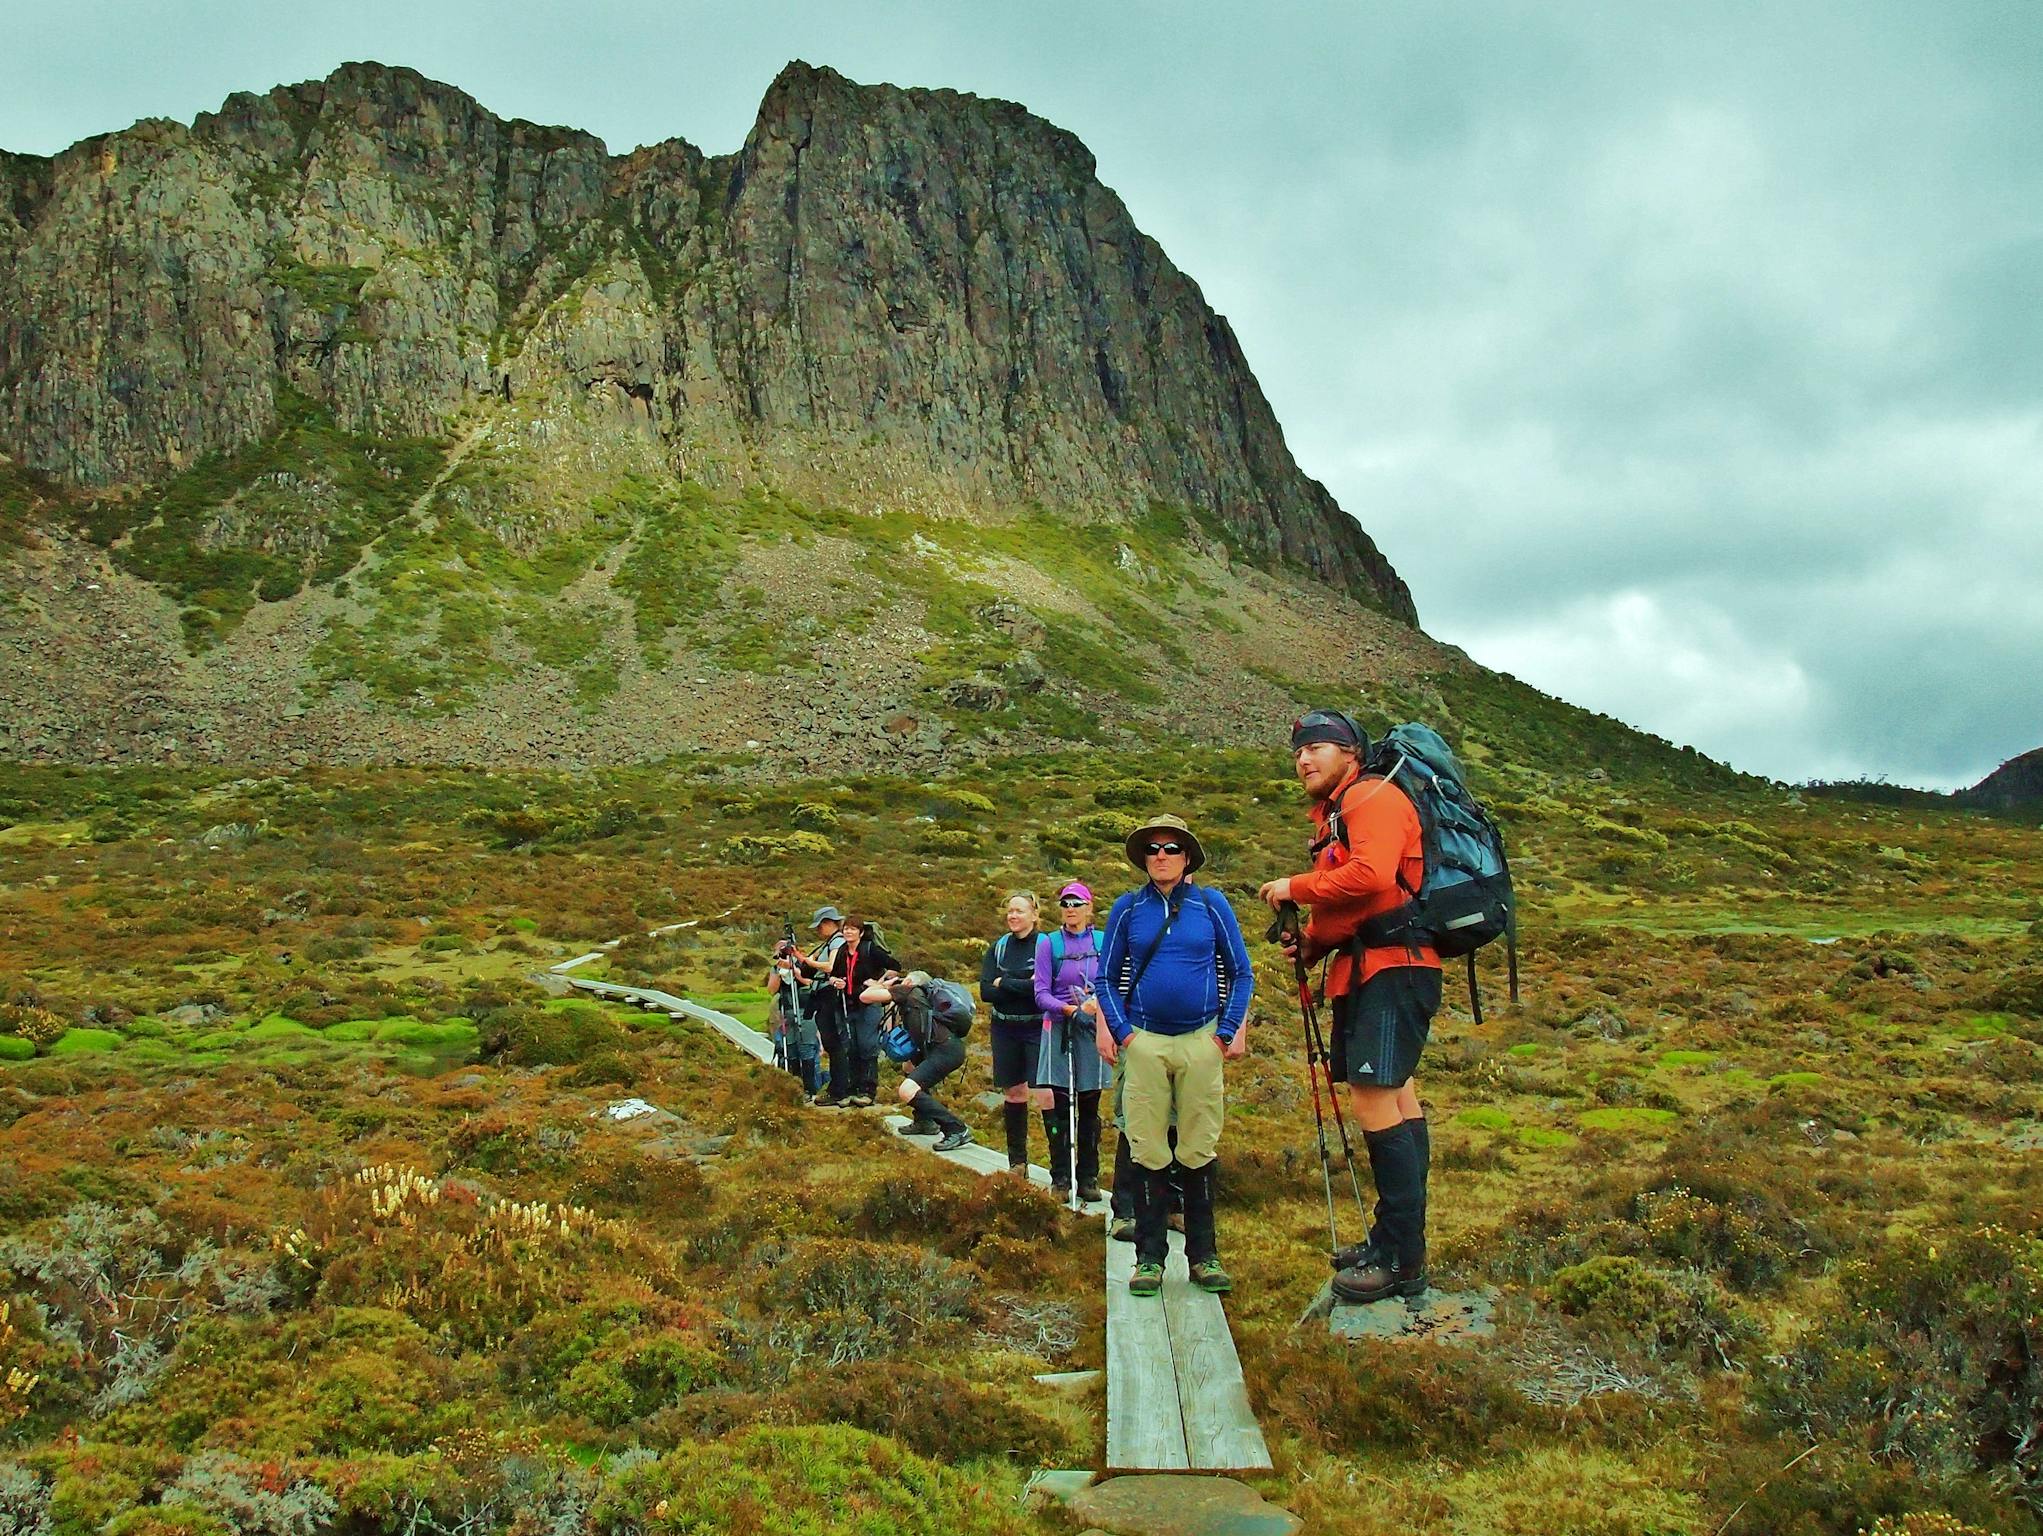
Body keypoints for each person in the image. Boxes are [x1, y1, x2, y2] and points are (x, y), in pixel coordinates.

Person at [1259, 709, 1441, 1304]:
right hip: (1372, 968)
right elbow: (1357, 903)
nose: (1305, 758)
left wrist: (1295, 888)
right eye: (1299, 751)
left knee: (1375, 1097)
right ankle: (1391, 1239)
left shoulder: (1371, 798)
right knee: (1397, 1095)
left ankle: (1401, 1260)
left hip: (1394, 968)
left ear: (1352, 753)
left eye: (1320, 746)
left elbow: (1371, 874)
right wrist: (1312, 943)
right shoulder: (1341, 812)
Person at [1095, 814, 1253, 1297]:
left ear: (1188, 857)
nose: (1161, 856)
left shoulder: (1212, 905)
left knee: (1198, 1149)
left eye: (1171, 848)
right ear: (1144, 859)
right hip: (1144, 1043)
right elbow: (1105, 978)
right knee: (1147, 1151)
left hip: (1201, 1041)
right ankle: (1149, 1258)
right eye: (1153, 849)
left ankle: (1204, 1257)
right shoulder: (1127, 908)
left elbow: (1241, 971)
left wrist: (1224, 1034)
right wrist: (1124, 1035)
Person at [1032, 880, 1108, 1203]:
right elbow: (1040, 994)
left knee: (1090, 1102)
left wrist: (1093, 1006)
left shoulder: (1104, 941)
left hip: (1093, 1030)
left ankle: (1089, 1176)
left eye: (1077, 903)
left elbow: (1112, 982)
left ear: (1089, 908)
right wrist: (1067, 1009)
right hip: (1059, 1029)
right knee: (1059, 1103)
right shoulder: (1049, 944)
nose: (1071, 909)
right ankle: (1060, 1176)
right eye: (1066, 903)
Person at [864, 969, 973, 1152]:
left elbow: (866, 996)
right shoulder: (922, 1000)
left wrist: (885, 985)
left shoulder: (909, 991)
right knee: (909, 1066)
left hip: (945, 1051)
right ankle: (924, 1121)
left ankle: (956, 1128)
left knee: (907, 1090)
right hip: (945, 1047)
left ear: (909, 982)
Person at [980, 891, 1046, 1173]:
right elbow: (985, 991)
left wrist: (1003, 982)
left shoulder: (1045, 945)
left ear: (1034, 914)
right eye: (1010, 911)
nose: (1013, 916)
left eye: (1020, 911)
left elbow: (1040, 990)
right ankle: (1017, 1162)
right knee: (1014, 1093)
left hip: (1036, 1027)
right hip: (1004, 1027)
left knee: (1046, 1095)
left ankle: (1060, 1171)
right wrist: (1021, 983)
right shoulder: (999, 947)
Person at [826, 914, 899, 1108]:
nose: (848, 932)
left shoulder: (870, 949)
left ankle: (868, 1091)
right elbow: (833, 975)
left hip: (869, 1006)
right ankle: (853, 1090)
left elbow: (894, 967)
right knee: (852, 1047)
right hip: (847, 1005)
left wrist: (879, 983)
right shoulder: (842, 951)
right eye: (846, 929)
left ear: (861, 932)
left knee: (868, 1046)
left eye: (852, 929)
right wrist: (836, 981)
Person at [786, 906, 849, 1106]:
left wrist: (805, 961)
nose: (818, 931)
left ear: (829, 923)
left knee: (834, 1044)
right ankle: (837, 1088)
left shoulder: (837, 942)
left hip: (831, 997)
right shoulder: (829, 943)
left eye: (820, 926)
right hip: (823, 996)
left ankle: (839, 1089)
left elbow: (830, 967)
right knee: (832, 1044)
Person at [765, 930, 822, 1096]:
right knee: (790, 1049)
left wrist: (794, 969)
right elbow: (771, 990)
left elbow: (810, 983)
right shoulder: (776, 967)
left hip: (806, 1011)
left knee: (806, 1048)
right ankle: (795, 1086)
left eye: (785, 949)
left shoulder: (803, 965)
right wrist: (778, 970)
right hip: (787, 1011)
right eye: (779, 950)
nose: (782, 952)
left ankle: (810, 1089)